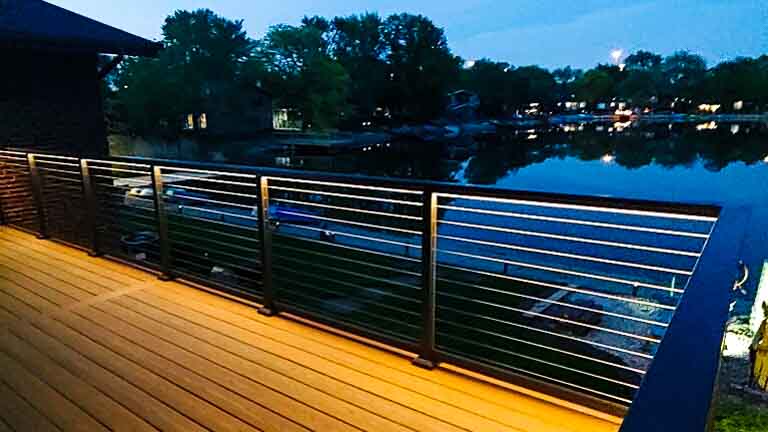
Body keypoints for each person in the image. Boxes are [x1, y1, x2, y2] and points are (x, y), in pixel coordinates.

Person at [750, 302, 768, 390]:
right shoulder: (764, 323)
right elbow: (757, 337)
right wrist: (755, 345)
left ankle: (762, 383)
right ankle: (754, 380)